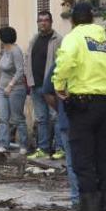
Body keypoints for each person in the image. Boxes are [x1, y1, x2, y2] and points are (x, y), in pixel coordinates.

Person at [52, 2, 106, 211]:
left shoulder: (73, 38)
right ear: (92, 19)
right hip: (104, 105)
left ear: (73, 20)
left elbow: (65, 62)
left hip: (82, 106)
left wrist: (59, 85)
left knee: (83, 164)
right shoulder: (103, 42)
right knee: (104, 163)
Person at [25, 10, 64, 160]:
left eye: (46, 20)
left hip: (51, 88)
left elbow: (61, 63)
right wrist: (28, 80)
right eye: (40, 20)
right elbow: (28, 59)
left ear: (51, 22)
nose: (43, 23)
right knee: (41, 119)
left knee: (55, 117)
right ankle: (43, 149)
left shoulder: (57, 39)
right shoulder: (34, 39)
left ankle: (60, 149)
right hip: (35, 86)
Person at [43, 60, 79, 209]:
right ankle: (91, 200)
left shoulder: (60, 63)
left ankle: (78, 200)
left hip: (68, 121)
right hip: (91, 121)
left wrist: (61, 109)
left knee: (72, 163)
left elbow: (47, 92)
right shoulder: (96, 58)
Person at [0, 26, 29, 154]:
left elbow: (20, 70)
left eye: (0, 36)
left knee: (17, 118)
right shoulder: (5, 50)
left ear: (4, 38)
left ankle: (24, 145)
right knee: (2, 117)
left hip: (16, 89)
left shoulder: (16, 51)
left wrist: (10, 85)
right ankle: (4, 144)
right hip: (1, 89)